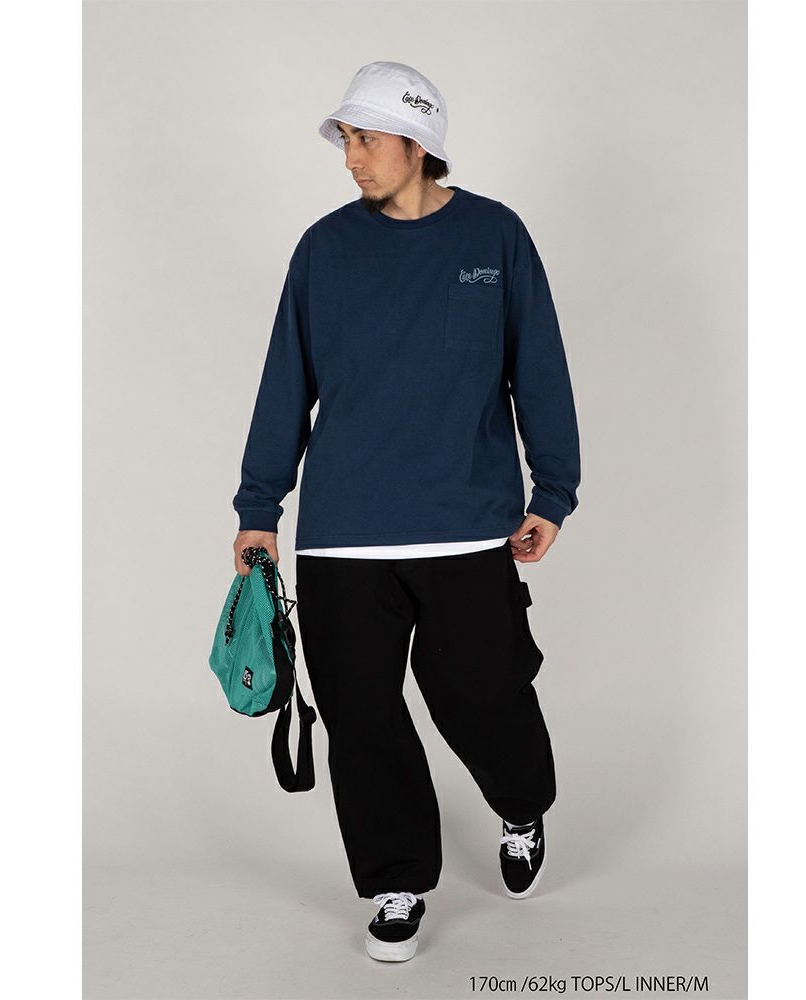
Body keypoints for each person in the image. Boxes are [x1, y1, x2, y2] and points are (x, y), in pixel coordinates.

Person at [230, 61, 581, 962]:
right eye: (346, 140)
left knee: (481, 692)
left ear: (417, 143)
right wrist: (261, 504)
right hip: (344, 533)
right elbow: (285, 382)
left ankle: (522, 805)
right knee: (362, 719)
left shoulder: (495, 236)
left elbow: (538, 367)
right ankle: (396, 880)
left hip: (469, 524)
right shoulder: (323, 249)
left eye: (366, 139)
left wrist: (553, 490)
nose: (351, 158)